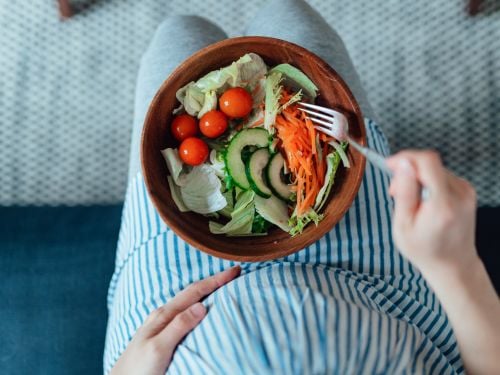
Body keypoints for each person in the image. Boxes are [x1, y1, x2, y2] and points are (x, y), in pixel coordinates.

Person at [104, 0, 500, 374]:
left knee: (180, 31)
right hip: (380, 275)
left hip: (181, 291)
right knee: (287, 13)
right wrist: (459, 269)